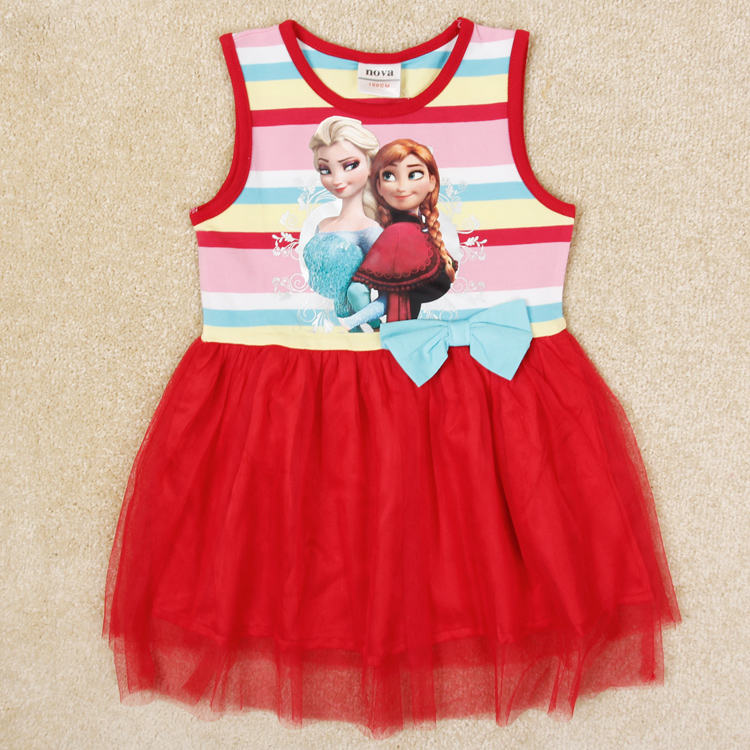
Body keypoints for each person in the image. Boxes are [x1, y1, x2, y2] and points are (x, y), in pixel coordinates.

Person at [340, 138, 458, 327]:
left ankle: (357, 321)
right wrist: (374, 325)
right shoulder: (397, 232)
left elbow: (357, 291)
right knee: (398, 292)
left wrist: (375, 326)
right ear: (378, 186)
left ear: (432, 181)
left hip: (406, 321)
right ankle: (356, 321)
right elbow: (356, 289)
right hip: (409, 319)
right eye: (389, 176)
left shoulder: (405, 231)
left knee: (397, 293)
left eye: (414, 174)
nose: (402, 187)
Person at [301, 116, 384, 331]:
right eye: (325, 170)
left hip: (358, 327)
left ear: (370, 165)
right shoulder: (322, 224)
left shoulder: (370, 231)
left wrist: (374, 323)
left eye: (350, 165)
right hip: (325, 326)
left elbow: (385, 286)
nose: (337, 179)